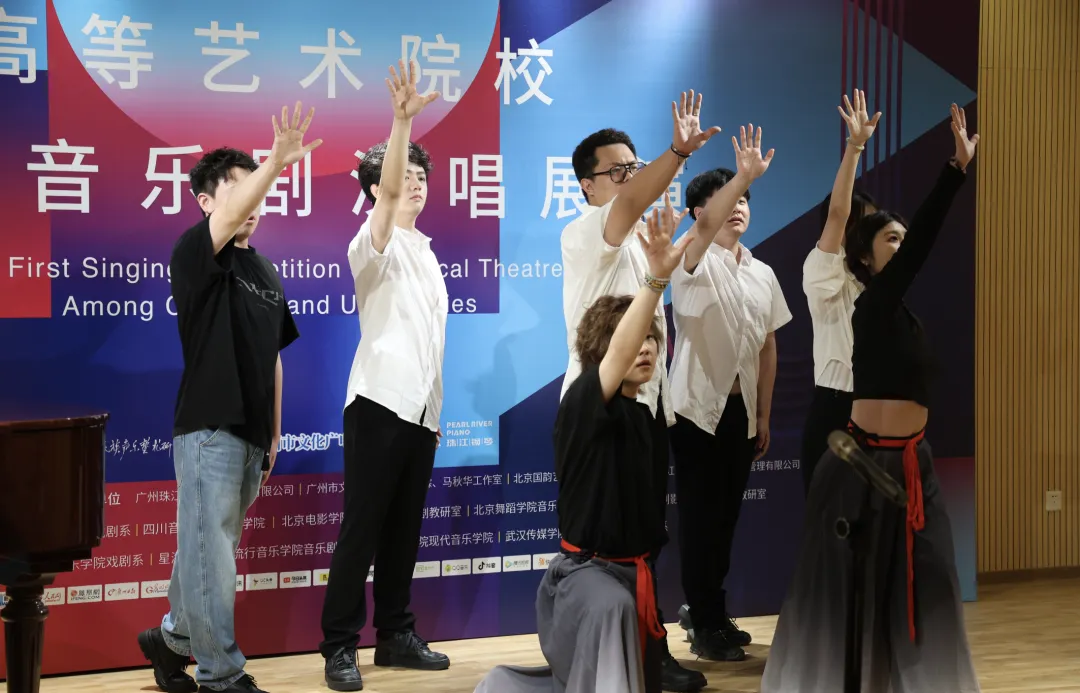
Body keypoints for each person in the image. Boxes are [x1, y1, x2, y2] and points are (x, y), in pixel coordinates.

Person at [760, 104, 981, 693]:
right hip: (849, 435)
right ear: (859, 248)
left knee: (915, 576)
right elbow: (844, 215)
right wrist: (865, 150)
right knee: (844, 574)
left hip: (904, 452)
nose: (900, 244)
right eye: (888, 236)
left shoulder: (891, 305)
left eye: (900, 236)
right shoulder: (836, 283)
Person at [472, 196, 694, 693]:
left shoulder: (644, 416)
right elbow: (617, 353)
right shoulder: (582, 402)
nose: (645, 347)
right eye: (632, 339)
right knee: (613, 614)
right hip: (585, 581)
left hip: (633, 577)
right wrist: (656, 281)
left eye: (651, 339)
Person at [137, 103, 317, 693]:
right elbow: (235, 211)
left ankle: (170, 638)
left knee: (207, 547)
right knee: (211, 548)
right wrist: (276, 163)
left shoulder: (265, 271)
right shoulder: (195, 252)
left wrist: (274, 431)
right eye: (238, 191)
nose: (253, 204)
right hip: (209, 425)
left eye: (256, 189)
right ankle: (221, 673)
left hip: (252, 433)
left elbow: (273, 356)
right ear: (207, 201)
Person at [558, 91, 722, 692]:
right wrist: (676, 152)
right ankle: (599, 646)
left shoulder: (642, 244)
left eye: (635, 166)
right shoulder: (585, 232)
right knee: (607, 536)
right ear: (587, 185)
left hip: (648, 404)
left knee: (648, 533)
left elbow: (701, 230)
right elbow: (632, 201)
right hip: (598, 407)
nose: (630, 177)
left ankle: (651, 646)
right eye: (618, 170)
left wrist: (741, 181)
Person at [318, 60, 449, 693]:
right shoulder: (372, 243)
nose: (415, 185)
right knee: (362, 529)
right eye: (405, 177)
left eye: (423, 176)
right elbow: (391, 195)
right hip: (377, 403)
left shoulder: (425, 252)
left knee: (403, 531)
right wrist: (402, 124)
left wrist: (436, 412)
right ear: (375, 190)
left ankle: (395, 635)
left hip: (421, 411)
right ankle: (339, 646)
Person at [667, 126, 790, 662]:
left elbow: (768, 346)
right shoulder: (690, 258)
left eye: (744, 200)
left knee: (726, 519)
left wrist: (763, 416)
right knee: (700, 520)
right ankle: (703, 620)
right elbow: (701, 235)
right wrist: (740, 175)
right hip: (697, 410)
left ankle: (709, 611)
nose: (738, 207)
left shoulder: (762, 271)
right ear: (700, 212)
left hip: (741, 413)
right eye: (727, 200)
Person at [800, 89, 881, 494]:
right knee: (831, 520)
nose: (870, 233)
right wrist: (855, 147)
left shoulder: (878, 283)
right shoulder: (822, 270)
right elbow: (838, 212)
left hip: (877, 409)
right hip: (836, 410)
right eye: (860, 223)